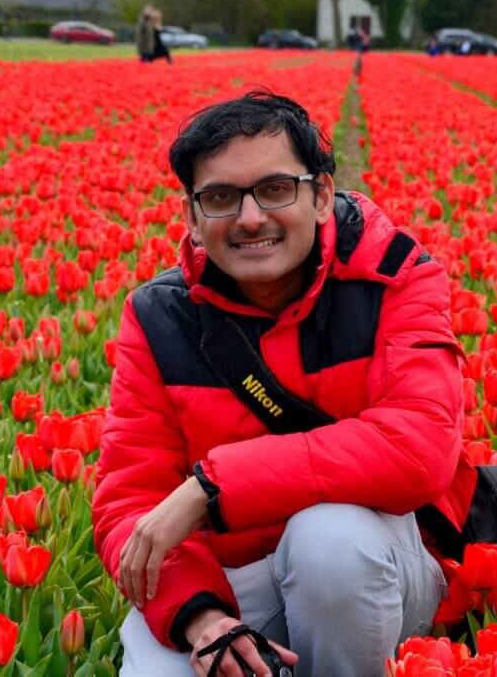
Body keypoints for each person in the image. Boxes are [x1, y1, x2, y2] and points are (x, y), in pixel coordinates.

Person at [91, 90, 475, 677]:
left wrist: (210, 490)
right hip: (229, 579)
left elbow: (416, 449)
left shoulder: (393, 278)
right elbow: (131, 501)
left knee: (329, 541)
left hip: (374, 566)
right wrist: (203, 617)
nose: (250, 219)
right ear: (192, 215)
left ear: (320, 195)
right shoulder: (158, 318)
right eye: (220, 197)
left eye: (274, 189)